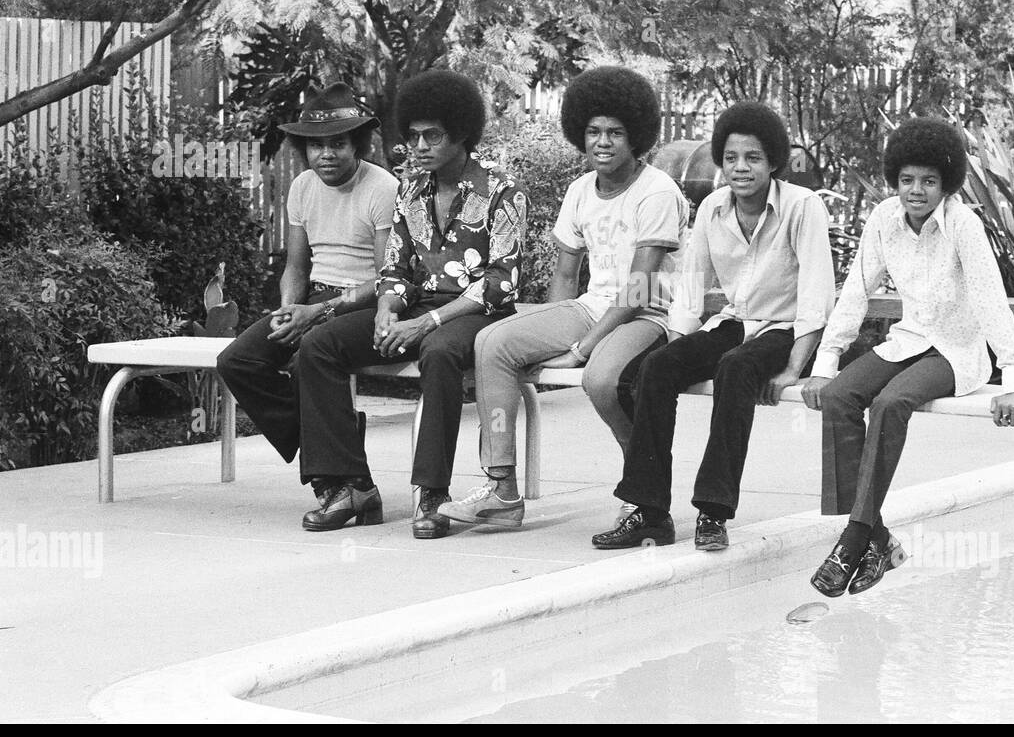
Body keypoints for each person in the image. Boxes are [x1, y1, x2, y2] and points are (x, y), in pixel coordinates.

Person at [438, 65, 689, 533]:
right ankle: (501, 488)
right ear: (580, 134)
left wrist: (582, 346)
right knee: (494, 343)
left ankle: (644, 487)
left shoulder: (657, 192)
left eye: (616, 132)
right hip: (594, 308)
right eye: (593, 131)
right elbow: (565, 275)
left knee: (601, 378)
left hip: (650, 314)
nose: (603, 142)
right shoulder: (579, 191)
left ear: (636, 135)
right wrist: (553, 328)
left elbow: (638, 289)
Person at [802, 116, 1014, 597]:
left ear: (946, 183)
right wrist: (827, 362)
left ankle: (854, 537)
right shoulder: (885, 218)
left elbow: (991, 298)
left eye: (929, 181)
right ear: (895, 179)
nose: (916, 190)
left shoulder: (964, 225)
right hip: (908, 339)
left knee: (890, 403)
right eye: (907, 179)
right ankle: (880, 540)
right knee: (842, 397)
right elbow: (856, 292)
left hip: (956, 351)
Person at [292, 70, 528, 534]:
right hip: (417, 308)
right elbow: (395, 270)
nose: (419, 146)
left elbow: (503, 282)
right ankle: (345, 486)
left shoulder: (503, 190)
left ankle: (432, 495)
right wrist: (385, 312)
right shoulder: (411, 190)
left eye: (432, 135)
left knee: (439, 352)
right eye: (413, 136)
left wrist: (428, 322)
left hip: (477, 313)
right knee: (318, 346)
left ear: (461, 132)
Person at [591, 101, 835, 551]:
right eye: (731, 158)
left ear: (774, 162)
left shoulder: (804, 207)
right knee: (657, 368)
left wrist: (794, 368)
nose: (740, 168)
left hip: (785, 331)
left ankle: (713, 512)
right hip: (736, 322)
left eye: (753, 158)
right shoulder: (712, 208)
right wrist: (677, 354)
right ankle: (649, 513)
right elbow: (690, 290)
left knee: (737, 369)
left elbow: (817, 299)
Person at [216, 82, 398, 500]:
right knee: (237, 362)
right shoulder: (302, 186)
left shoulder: (382, 188)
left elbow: (389, 278)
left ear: (358, 145)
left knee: (311, 356)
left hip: (368, 304)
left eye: (338, 144)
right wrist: (287, 311)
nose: (326, 154)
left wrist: (316, 315)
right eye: (316, 146)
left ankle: (343, 485)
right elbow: (296, 266)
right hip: (315, 298)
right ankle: (339, 433)